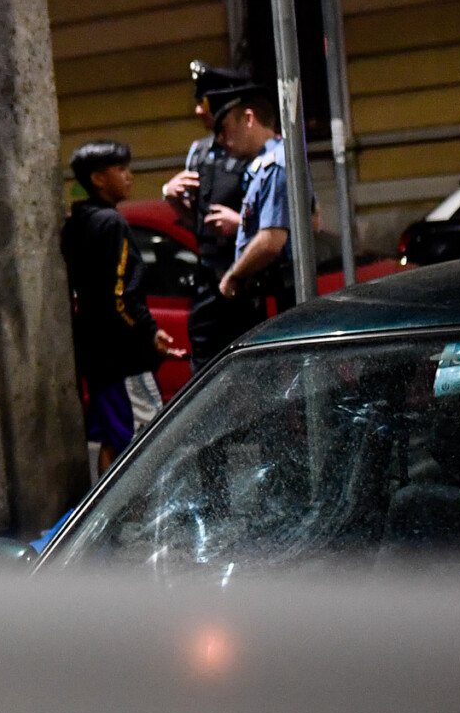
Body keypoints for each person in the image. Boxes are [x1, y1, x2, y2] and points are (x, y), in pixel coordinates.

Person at [61, 140, 184, 472]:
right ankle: (137, 518)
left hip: (98, 354)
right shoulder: (111, 224)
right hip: (122, 359)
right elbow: (120, 293)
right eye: (121, 170)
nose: (129, 176)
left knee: (112, 440)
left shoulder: (79, 221)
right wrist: (149, 332)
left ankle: (113, 517)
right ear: (98, 178)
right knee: (146, 437)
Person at [163, 61, 261, 368]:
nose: (198, 110)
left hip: (246, 279)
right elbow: (198, 225)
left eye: (204, 102)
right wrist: (171, 194)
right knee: (205, 367)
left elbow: (277, 223)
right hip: (208, 280)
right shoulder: (199, 152)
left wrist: (240, 225)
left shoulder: (255, 149)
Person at [208, 81, 295, 313]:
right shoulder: (269, 163)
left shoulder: (274, 166)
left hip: (278, 294)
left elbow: (270, 242)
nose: (220, 139)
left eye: (225, 128)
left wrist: (233, 274)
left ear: (248, 119)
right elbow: (313, 220)